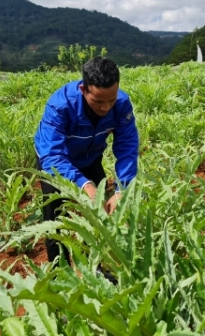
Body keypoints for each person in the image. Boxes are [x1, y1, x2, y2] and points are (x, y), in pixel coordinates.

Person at [34, 57, 139, 264]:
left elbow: (127, 147)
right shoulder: (60, 106)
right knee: (56, 223)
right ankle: (60, 276)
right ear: (83, 89)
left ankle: (102, 268)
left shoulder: (122, 104)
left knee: (105, 214)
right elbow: (51, 155)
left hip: (90, 158)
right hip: (56, 165)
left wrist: (121, 190)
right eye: (98, 101)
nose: (106, 107)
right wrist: (84, 184)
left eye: (111, 99)